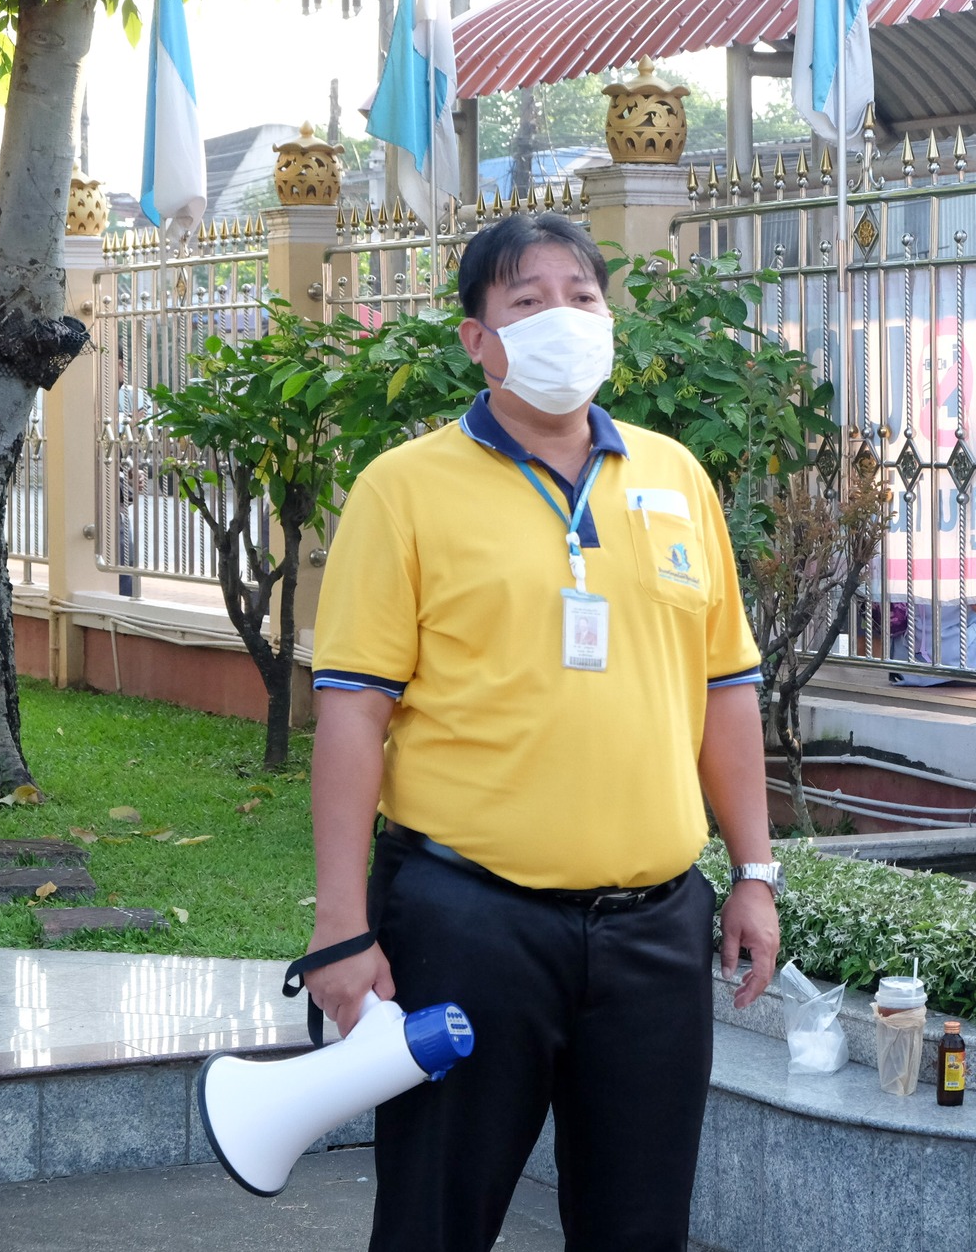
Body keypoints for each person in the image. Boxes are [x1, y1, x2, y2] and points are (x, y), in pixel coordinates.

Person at [298, 213, 781, 1252]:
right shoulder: (404, 489)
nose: (562, 318)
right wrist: (341, 929)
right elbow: (352, 713)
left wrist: (753, 871)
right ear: (476, 338)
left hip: (654, 931)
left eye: (582, 296)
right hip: (469, 921)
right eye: (526, 300)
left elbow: (725, 685)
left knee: (639, 1225)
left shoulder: (674, 477)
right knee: (438, 1218)